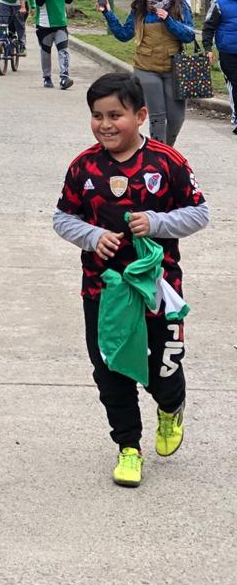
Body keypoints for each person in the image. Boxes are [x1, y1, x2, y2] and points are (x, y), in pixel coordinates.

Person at [53, 71, 208, 487]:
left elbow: (199, 213)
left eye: (115, 115)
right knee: (110, 370)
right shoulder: (84, 167)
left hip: (159, 288)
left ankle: (170, 406)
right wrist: (92, 236)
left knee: (163, 371)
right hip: (102, 290)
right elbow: (62, 218)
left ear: (140, 116)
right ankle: (128, 446)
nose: (105, 125)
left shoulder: (167, 162)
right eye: (97, 116)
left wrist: (157, 222)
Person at [101, 0, 194, 145]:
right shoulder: (140, 7)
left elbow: (189, 35)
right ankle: (159, 155)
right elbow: (123, 34)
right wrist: (108, 13)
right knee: (157, 118)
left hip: (174, 68)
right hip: (146, 68)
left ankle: (166, 151)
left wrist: (168, 20)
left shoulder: (179, 4)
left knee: (176, 118)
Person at [201, 0, 237, 134]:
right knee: (235, 84)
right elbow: (208, 27)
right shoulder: (219, 2)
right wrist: (208, 48)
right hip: (228, 52)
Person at [36, 0, 75, 90]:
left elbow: (69, 0)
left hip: (61, 24)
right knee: (45, 52)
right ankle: (47, 77)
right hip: (45, 25)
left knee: (63, 50)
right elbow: (38, 1)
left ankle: (64, 77)